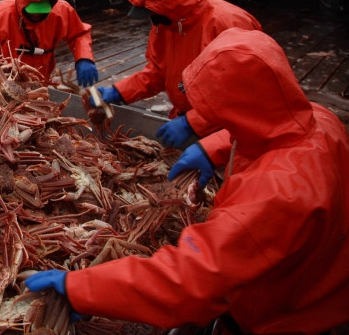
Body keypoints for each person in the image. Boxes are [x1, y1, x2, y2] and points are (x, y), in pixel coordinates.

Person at [26, 28, 349, 333]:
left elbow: (192, 280)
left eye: (216, 111)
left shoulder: (277, 195)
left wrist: (81, 288)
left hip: (277, 318)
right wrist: (212, 147)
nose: (208, 117)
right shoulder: (320, 119)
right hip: (314, 282)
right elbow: (271, 129)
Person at [89, 0, 260, 156]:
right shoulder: (164, 24)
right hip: (185, 120)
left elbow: (244, 96)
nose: (151, 18)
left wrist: (193, 123)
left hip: (231, 133)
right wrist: (118, 92)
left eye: (152, 11)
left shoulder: (228, 23)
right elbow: (157, 74)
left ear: (169, 4)